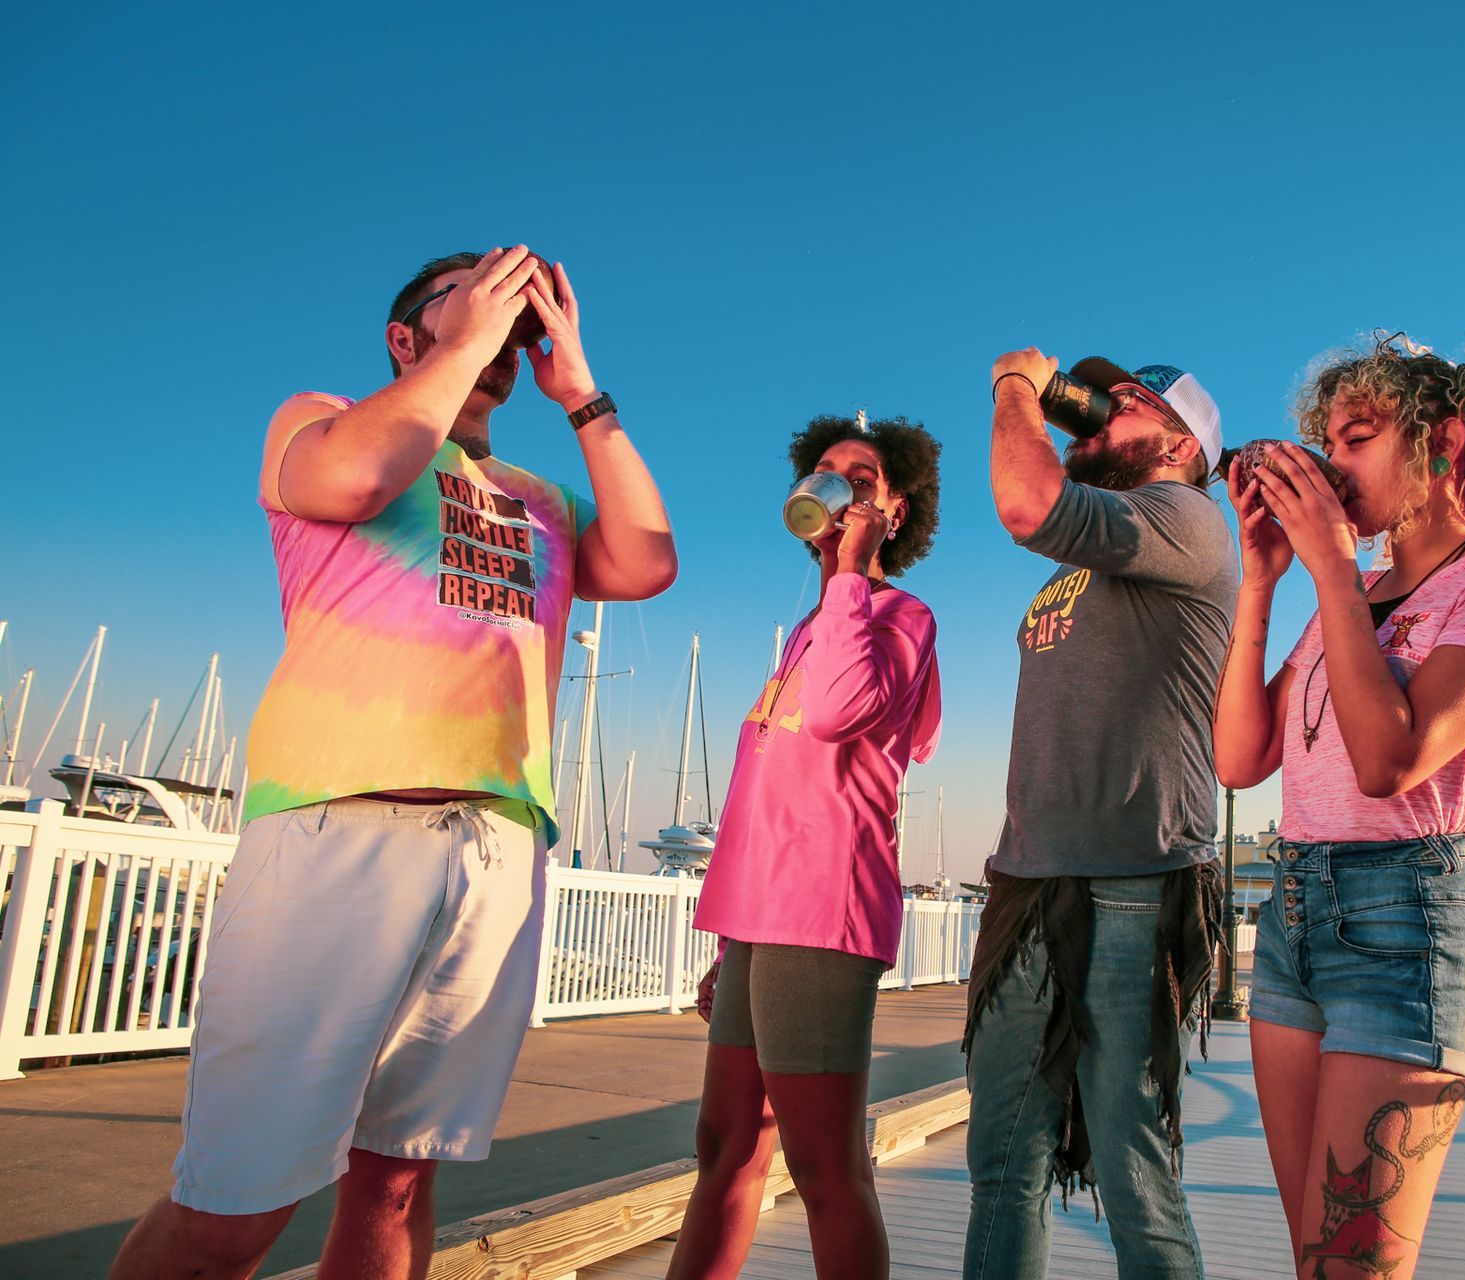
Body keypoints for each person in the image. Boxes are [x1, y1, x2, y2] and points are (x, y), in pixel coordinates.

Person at [110, 246, 678, 1280]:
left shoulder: (541, 496)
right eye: (478, 310)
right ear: (404, 335)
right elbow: (358, 475)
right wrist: (462, 347)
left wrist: (582, 388)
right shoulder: (316, 418)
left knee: (400, 1179)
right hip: (340, 826)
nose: (504, 338)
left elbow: (646, 559)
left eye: (523, 324)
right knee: (237, 1204)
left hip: (496, 847)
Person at [1212, 334, 1465, 1278]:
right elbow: (1241, 757)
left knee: (1350, 1267)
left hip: (1405, 920)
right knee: (1311, 1258)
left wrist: (1330, 568)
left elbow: (1390, 760)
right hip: (1295, 911)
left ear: (1445, 441)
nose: (1333, 463)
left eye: (1357, 436)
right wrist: (1261, 581)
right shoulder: (1356, 592)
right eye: (1325, 440)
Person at [964, 349, 1236, 1279]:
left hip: (1133, 876)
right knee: (1003, 1162)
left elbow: (1024, 504)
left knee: (1131, 1169)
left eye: (1129, 404)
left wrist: (1015, 389)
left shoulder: (1190, 519)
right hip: (1028, 878)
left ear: (1179, 443)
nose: (1099, 410)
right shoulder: (1101, 546)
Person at [668, 415, 943, 1280]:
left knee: (824, 1166)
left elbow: (837, 715)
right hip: (761, 918)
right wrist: (729, 946)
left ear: (894, 512)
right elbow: (769, 798)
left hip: (822, 913)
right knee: (726, 1143)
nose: (839, 487)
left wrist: (852, 576)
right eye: (826, 472)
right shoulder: (815, 627)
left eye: (862, 479)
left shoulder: (898, 614)